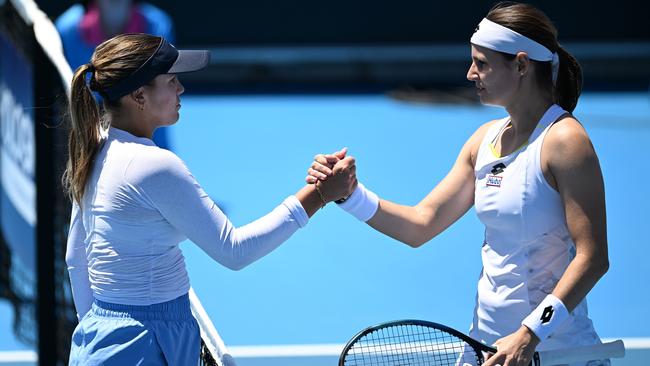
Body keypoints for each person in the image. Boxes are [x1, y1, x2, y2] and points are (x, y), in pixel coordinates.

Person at [308, 3, 609, 366]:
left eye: (482, 63)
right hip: (486, 349)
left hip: (555, 353)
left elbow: (593, 258)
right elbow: (421, 223)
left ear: (521, 65)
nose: (470, 74)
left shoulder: (565, 141)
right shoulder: (483, 141)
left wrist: (529, 334)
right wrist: (350, 196)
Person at [63, 33, 357, 365]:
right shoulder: (155, 166)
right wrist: (319, 195)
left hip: (98, 340)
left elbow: (76, 258)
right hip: (147, 343)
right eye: (172, 81)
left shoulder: (94, 148)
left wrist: (102, 332)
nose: (181, 89)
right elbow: (235, 250)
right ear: (139, 95)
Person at [56, 0, 175, 149]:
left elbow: (157, 101)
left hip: (151, 146)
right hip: (84, 148)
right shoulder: (67, 30)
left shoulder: (159, 26)